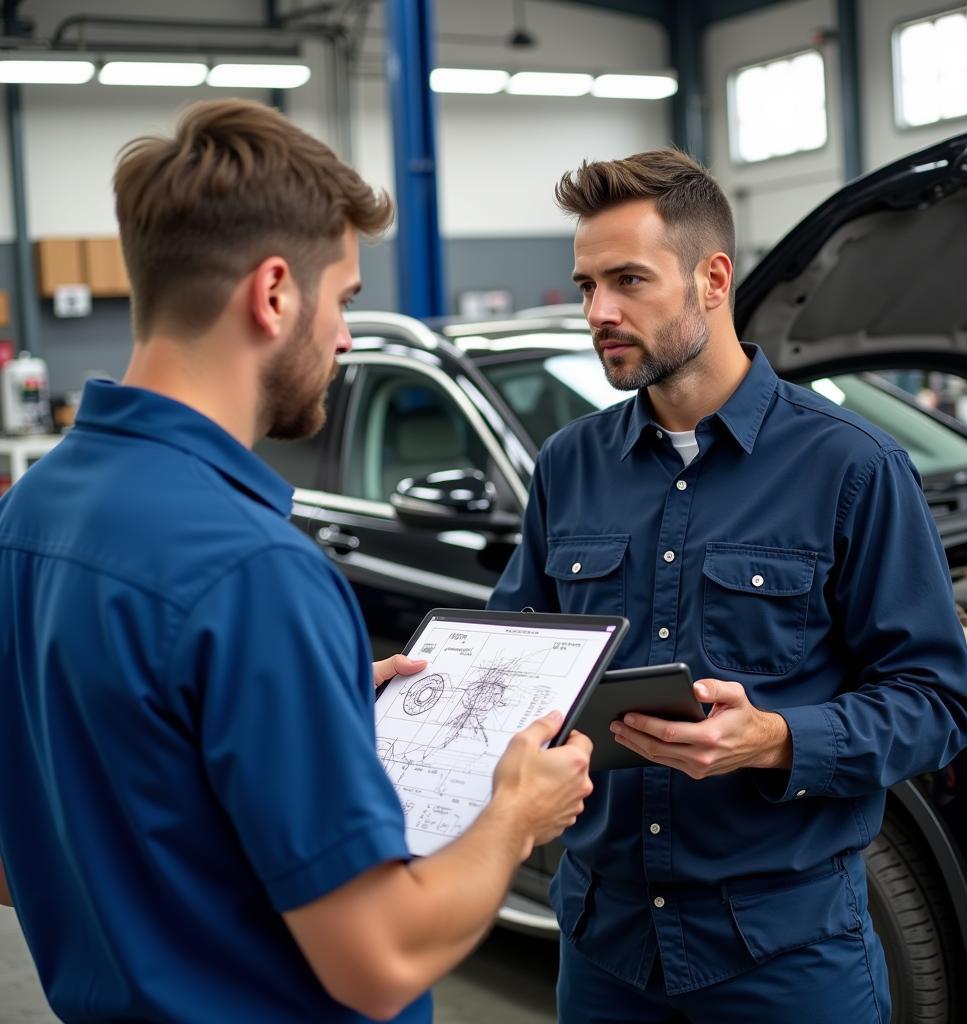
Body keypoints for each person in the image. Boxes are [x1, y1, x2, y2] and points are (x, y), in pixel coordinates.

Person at [0, 99, 593, 1023]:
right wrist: (517, 812)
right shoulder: (252, 571)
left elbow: (33, 838)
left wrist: (277, 714)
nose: (347, 337)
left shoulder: (31, 513)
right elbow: (380, 957)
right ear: (275, 293)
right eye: (346, 298)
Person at [488, 148, 967, 1023]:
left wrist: (779, 738)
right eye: (588, 284)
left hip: (784, 961)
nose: (599, 312)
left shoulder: (852, 468)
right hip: (606, 952)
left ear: (712, 278)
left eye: (629, 280)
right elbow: (516, 655)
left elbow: (934, 704)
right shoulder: (568, 466)